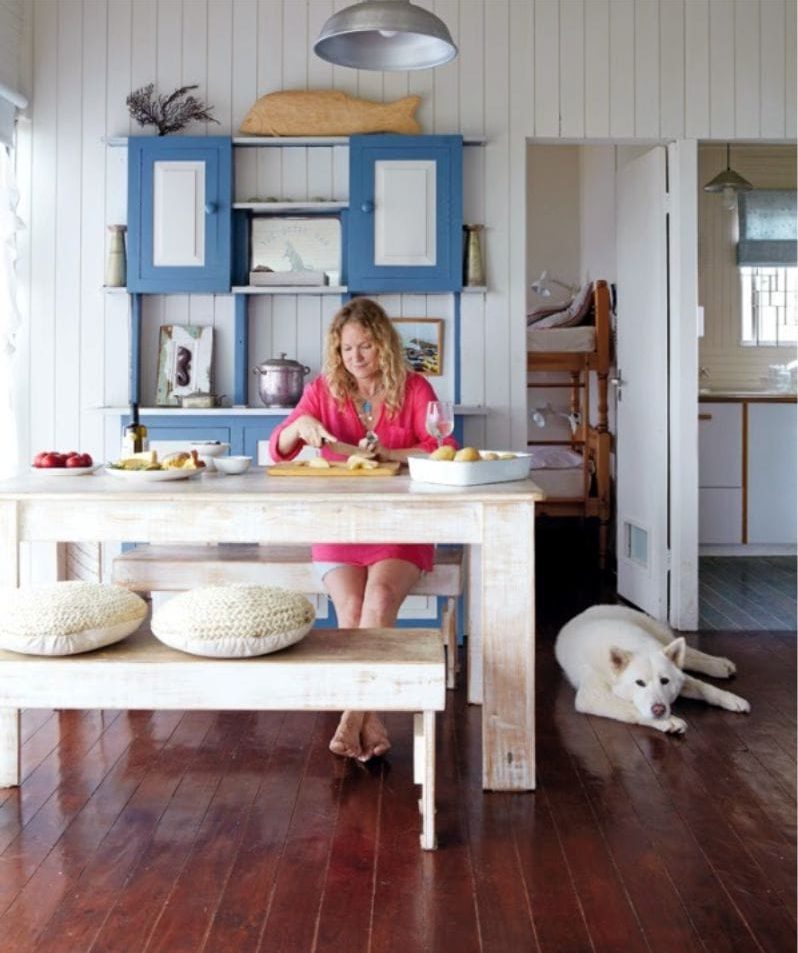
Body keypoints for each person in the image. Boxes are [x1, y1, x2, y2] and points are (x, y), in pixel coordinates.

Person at [269, 297, 457, 761]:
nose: (356, 357)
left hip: (400, 526)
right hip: (340, 523)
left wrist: (390, 456)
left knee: (378, 600)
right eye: (347, 348)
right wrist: (303, 425)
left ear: (384, 346)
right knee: (351, 608)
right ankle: (369, 718)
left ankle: (352, 715)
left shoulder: (414, 389)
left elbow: (443, 448)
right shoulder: (321, 390)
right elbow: (281, 449)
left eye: (366, 346)